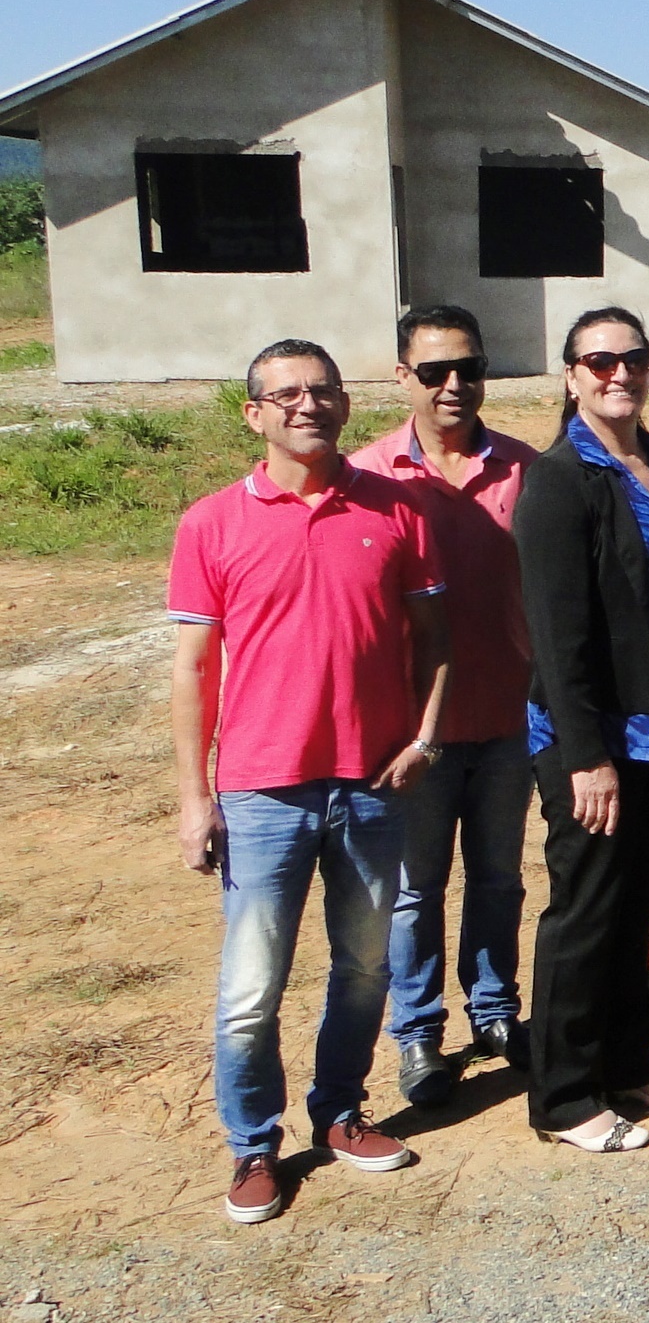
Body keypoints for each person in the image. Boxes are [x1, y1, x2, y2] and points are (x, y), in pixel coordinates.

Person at [170, 339, 450, 1225]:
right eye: (285, 393)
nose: (307, 405)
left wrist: (425, 736)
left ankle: (339, 1111)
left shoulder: (396, 510)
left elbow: (434, 639)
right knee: (251, 985)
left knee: (363, 966)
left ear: (343, 404)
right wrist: (194, 794)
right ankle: (255, 1144)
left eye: (322, 390)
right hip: (261, 790)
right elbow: (193, 668)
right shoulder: (211, 522)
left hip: (371, 782)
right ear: (253, 413)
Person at [514, 307, 649, 1152]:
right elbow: (556, 637)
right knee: (584, 909)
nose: (616, 373)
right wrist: (585, 755)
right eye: (598, 360)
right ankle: (561, 1092)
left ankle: (629, 1058)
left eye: (631, 358)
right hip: (590, 735)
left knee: (639, 902)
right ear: (570, 375)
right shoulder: (559, 479)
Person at [350, 304, 537, 1108]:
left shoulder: (529, 470)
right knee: (414, 890)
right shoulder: (367, 480)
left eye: (469, 367)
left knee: (498, 879)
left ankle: (495, 1011)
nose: (454, 385)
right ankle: (419, 1035)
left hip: (508, 718)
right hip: (412, 734)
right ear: (403, 377)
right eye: (434, 371)